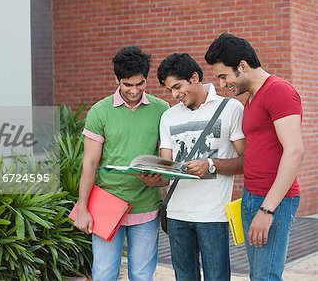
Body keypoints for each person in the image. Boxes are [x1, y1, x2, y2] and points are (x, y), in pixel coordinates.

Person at [205, 33, 304, 281]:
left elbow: (295, 151)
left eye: (223, 76)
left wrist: (267, 211)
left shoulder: (279, 91)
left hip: (274, 202)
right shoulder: (251, 98)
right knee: (257, 274)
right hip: (252, 196)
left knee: (265, 276)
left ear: (242, 66)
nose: (222, 84)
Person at [141, 53, 245, 281]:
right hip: (177, 214)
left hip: (213, 215)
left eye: (178, 87)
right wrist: (155, 179)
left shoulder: (231, 108)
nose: (175, 95)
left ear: (195, 77)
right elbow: (167, 170)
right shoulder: (168, 117)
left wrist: (211, 165)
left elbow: (246, 161)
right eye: (170, 90)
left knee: (217, 277)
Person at [74, 46, 169, 280]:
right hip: (107, 206)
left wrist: (160, 182)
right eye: (128, 85)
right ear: (117, 79)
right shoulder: (100, 111)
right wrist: (83, 209)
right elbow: (90, 163)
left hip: (146, 207)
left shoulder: (162, 109)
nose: (134, 90)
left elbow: (167, 161)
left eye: (140, 84)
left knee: (142, 275)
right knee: (104, 274)